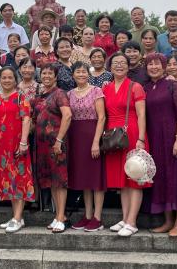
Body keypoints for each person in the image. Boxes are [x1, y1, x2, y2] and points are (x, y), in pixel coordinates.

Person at [142, 53, 177, 237]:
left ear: (164, 67)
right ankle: (168, 221)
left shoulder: (172, 85)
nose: (154, 67)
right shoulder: (146, 88)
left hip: (172, 138)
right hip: (154, 139)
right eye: (150, 64)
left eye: (157, 64)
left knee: (176, 179)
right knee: (161, 179)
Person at [103, 53, 149, 237]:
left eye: (123, 63)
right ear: (110, 67)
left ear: (129, 67)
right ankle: (125, 218)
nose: (119, 66)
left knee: (134, 178)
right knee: (122, 180)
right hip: (114, 137)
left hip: (132, 133)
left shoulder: (135, 86)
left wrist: (141, 139)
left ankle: (132, 221)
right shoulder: (106, 88)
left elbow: (142, 114)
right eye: (115, 63)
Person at [0, 66, 35, 233]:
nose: (7, 80)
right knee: (8, 180)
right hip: (1, 147)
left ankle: (17, 218)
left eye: (10, 77)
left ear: (15, 80)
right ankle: (16, 217)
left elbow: (26, 120)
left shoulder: (20, 97)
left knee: (19, 179)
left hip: (17, 144)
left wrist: (23, 142)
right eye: (3, 77)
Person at [31, 64, 72, 233]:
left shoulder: (59, 94)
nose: (47, 76)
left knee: (60, 181)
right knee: (51, 181)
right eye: (44, 73)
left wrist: (59, 140)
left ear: (56, 77)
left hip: (56, 144)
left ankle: (62, 217)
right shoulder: (40, 96)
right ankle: (58, 216)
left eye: (50, 73)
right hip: (42, 146)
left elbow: (67, 116)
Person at [68, 62, 107, 232]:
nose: (81, 74)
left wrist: (96, 142)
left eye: (84, 71)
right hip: (76, 138)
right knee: (84, 178)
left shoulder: (96, 91)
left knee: (95, 177)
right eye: (78, 72)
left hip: (92, 135)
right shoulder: (69, 94)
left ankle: (97, 217)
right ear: (73, 75)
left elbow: (102, 117)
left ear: (88, 74)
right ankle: (88, 215)